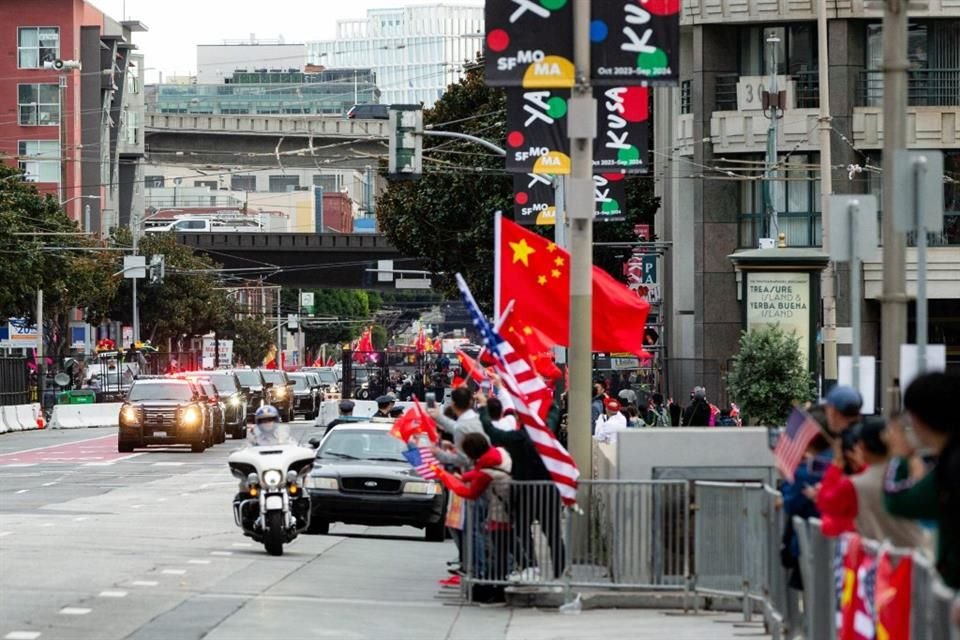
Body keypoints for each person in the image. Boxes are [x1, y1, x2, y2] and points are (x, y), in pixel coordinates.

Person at [475, 390, 566, 582]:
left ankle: (531, 567)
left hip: (524, 492)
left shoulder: (517, 439)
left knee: (522, 531)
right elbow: (553, 413)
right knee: (553, 534)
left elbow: (491, 431)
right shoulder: (546, 434)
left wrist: (483, 407)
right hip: (548, 491)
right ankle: (560, 573)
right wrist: (545, 397)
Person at [884, 372, 960, 589]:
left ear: (917, 419)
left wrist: (900, 456)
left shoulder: (952, 465)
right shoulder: (948, 459)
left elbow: (897, 499)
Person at [811, 416, 928, 548]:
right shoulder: (909, 471)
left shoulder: (855, 484)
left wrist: (836, 466)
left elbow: (826, 501)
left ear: (861, 446)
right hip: (915, 556)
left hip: (883, 563)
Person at [433, 432, 513, 603]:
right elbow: (476, 473)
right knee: (503, 548)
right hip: (507, 508)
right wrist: (461, 477)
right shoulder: (497, 453)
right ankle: (499, 582)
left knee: (500, 550)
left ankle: (496, 589)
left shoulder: (486, 471)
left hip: (500, 514)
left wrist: (449, 480)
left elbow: (471, 492)